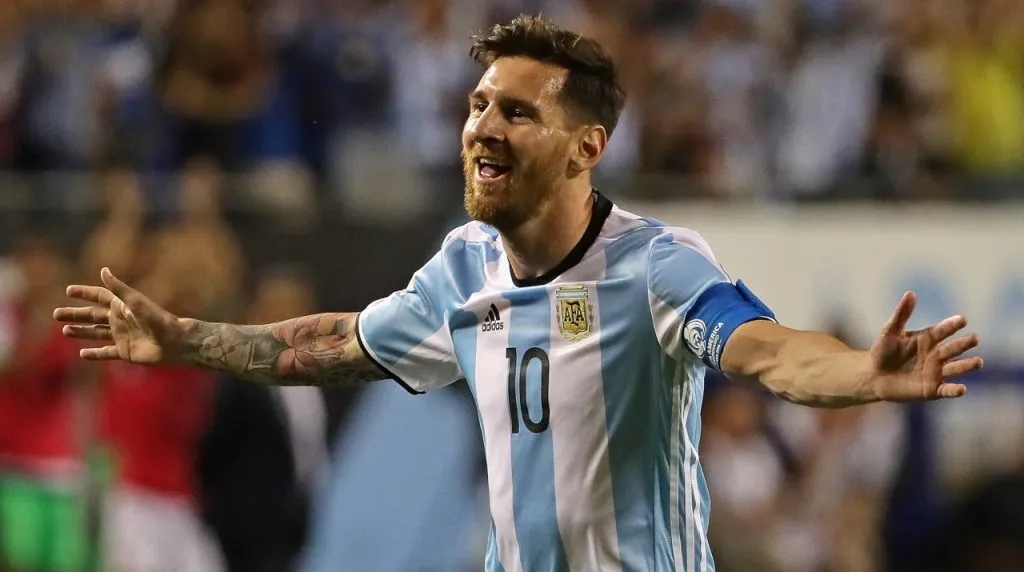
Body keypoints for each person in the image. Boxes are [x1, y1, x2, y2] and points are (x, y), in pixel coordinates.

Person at [54, 14, 983, 572]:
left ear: (586, 148)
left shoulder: (653, 264)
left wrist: (863, 371)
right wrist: (184, 340)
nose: (482, 128)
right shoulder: (462, 267)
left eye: (517, 112)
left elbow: (770, 351)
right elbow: (333, 344)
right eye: (476, 106)